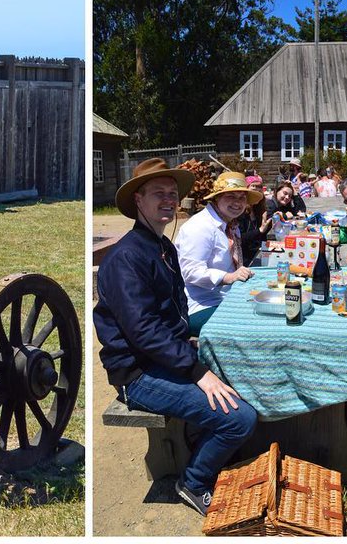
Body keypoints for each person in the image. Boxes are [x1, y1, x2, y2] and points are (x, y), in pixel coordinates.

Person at [95, 159, 257, 516]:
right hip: (137, 375)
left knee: (245, 377)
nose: (168, 200)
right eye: (158, 194)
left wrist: (188, 343)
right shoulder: (125, 258)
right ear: (138, 200)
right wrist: (196, 370)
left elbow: (173, 313)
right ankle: (194, 481)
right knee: (240, 418)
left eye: (172, 194)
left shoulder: (162, 247)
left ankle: (206, 444)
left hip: (164, 359)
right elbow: (143, 332)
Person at [175, 172, 261, 332]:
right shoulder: (200, 226)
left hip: (225, 298)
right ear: (216, 198)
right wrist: (229, 277)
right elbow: (190, 272)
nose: (238, 202)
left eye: (242, 197)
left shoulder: (231, 224)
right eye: (230, 196)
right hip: (199, 306)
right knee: (255, 324)